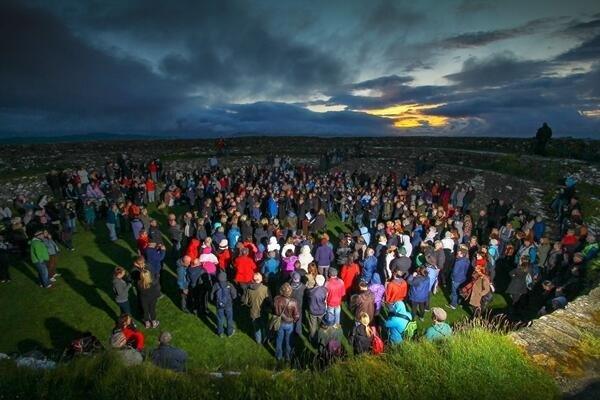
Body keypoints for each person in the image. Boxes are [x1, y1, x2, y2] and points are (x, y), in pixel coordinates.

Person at [273, 282, 300, 361]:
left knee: (279, 339)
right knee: (289, 341)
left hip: (280, 322)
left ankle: (278, 356)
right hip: (289, 323)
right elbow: (297, 315)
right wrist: (294, 320)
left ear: (281, 290)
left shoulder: (276, 299)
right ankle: (288, 357)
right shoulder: (293, 302)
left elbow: (275, 311)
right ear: (290, 291)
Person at [243, 272, 270, 344]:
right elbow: (269, 301)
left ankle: (258, 341)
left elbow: (245, 302)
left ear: (253, 280)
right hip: (263, 312)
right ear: (261, 280)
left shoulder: (249, 289)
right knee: (264, 326)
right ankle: (265, 340)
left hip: (253, 312)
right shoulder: (265, 289)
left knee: (256, 328)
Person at [211, 271, 237, 337]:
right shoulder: (229, 285)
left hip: (219, 305)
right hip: (228, 304)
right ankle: (229, 332)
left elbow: (212, 295)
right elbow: (234, 296)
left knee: (220, 318)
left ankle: (220, 333)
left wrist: (214, 300)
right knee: (229, 318)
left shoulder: (216, 285)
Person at [306, 274, 328, 343]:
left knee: (313, 326)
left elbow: (308, 297)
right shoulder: (325, 290)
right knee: (321, 325)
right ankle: (322, 338)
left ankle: (312, 339)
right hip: (321, 310)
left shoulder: (311, 291)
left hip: (313, 311)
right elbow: (325, 300)